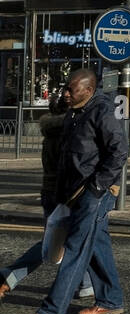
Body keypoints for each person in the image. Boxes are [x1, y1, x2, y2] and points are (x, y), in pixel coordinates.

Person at [22, 68, 127, 314]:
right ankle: (111, 300)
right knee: (97, 246)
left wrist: (97, 187)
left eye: (71, 89)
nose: (66, 93)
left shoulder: (101, 110)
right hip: (73, 193)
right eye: (65, 88)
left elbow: (119, 150)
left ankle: (51, 313)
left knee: (76, 250)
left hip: (93, 193)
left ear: (89, 90)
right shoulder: (74, 112)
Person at [0, 89, 93, 302]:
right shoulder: (68, 135)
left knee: (70, 239)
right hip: (66, 194)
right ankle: (12, 273)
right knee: (58, 241)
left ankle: (86, 282)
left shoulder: (51, 134)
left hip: (49, 192)